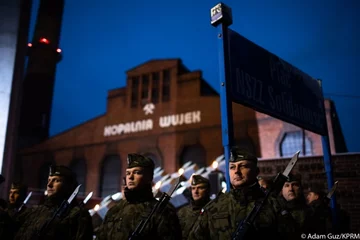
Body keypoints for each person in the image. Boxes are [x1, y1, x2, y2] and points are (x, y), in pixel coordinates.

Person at [188, 147, 292, 240]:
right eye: (232, 167)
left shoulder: (274, 205)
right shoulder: (213, 208)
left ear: (256, 171)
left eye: (243, 166)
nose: (236, 171)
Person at [96, 153, 182, 240]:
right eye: (128, 173)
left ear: (149, 177)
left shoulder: (161, 211)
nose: (130, 177)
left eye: (137, 172)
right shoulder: (115, 211)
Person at [14, 165, 94, 240]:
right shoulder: (37, 211)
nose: (49, 184)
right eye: (49, 180)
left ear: (69, 185)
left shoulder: (78, 215)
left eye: (56, 180)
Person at [178, 175, 211, 239]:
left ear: (207, 190)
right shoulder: (183, 212)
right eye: (193, 188)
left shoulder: (214, 208)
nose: (196, 191)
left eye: (200, 188)